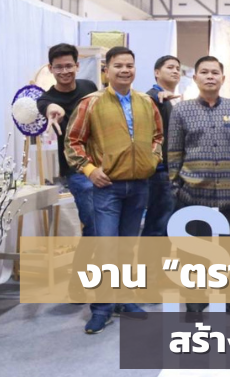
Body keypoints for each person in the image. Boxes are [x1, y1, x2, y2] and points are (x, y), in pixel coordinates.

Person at [65, 46, 164, 334]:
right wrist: (89, 170)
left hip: (139, 186)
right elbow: (73, 142)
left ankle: (124, 300)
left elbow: (158, 136)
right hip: (107, 187)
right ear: (106, 70)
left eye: (129, 65)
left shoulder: (146, 102)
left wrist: (152, 159)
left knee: (127, 248)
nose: (124, 70)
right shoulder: (91, 102)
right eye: (118, 65)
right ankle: (101, 309)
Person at [167, 56, 230, 315]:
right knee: (193, 252)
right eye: (204, 72)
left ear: (223, 78)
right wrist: (177, 187)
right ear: (195, 78)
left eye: (215, 72)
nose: (209, 77)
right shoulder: (182, 111)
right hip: (193, 194)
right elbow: (174, 152)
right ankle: (195, 302)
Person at [36, 44, 99, 301]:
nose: (64, 71)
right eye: (59, 67)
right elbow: (49, 107)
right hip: (77, 170)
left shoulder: (89, 87)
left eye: (69, 66)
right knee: (94, 224)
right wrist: (54, 111)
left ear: (77, 65)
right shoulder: (46, 99)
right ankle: (81, 282)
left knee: (106, 227)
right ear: (51, 69)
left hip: (104, 166)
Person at [140, 55, 181, 237]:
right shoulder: (153, 97)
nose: (175, 71)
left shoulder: (172, 99)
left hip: (171, 171)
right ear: (157, 72)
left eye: (178, 68)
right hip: (160, 172)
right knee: (159, 225)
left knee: (166, 225)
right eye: (170, 67)